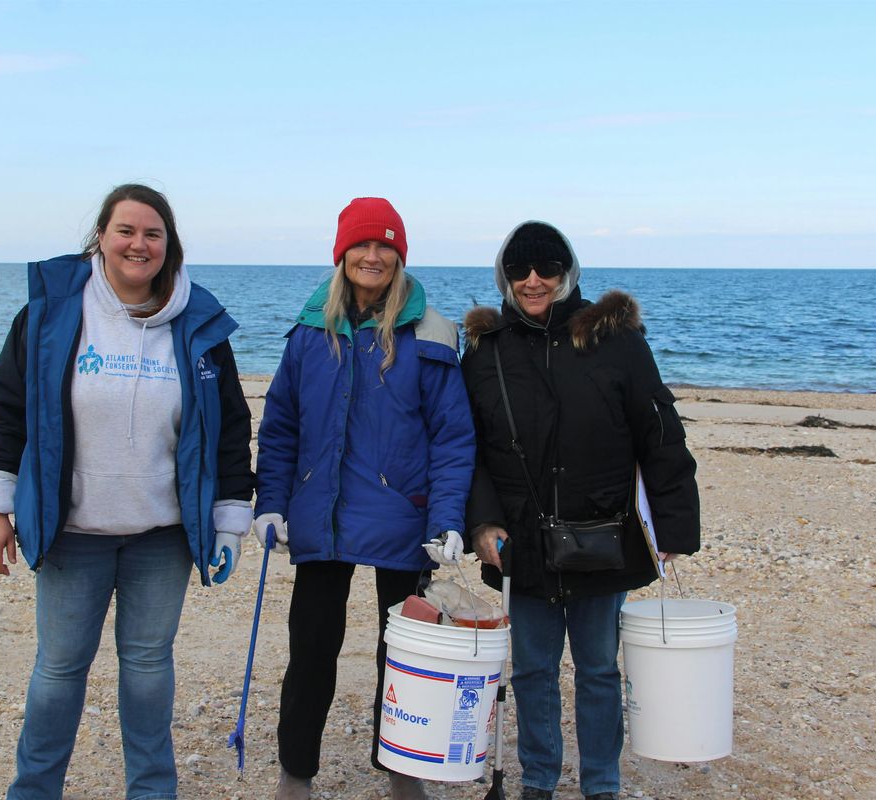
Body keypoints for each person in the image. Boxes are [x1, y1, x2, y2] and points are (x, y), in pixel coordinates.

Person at [0, 183, 255, 800]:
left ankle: (152, 791)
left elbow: (231, 429)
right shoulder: (50, 314)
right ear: (101, 236)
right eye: (126, 230)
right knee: (59, 672)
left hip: (163, 536)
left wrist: (230, 521)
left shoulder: (201, 323)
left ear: (169, 245)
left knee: (149, 670)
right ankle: (34, 790)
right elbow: (8, 408)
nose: (139, 243)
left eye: (153, 233)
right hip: (73, 531)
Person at [460, 221, 700, 800]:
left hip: (603, 533)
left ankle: (602, 785)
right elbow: (468, 451)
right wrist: (482, 522)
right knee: (532, 672)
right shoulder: (486, 352)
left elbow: (660, 432)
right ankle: (538, 782)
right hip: (522, 539)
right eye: (520, 270)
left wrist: (673, 525)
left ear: (568, 272)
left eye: (547, 268)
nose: (534, 280)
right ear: (505, 275)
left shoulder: (617, 341)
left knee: (597, 671)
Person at [253, 197, 475, 800]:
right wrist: (270, 502)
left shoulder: (430, 333)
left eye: (385, 246)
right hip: (320, 514)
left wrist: (449, 517)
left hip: (404, 516)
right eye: (362, 245)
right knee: (311, 653)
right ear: (342, 254)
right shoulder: (309, 332)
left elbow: (453, 437)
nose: (373, 256)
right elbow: (280, 428)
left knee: (404, 655)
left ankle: (404, 772)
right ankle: (295, 774)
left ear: (399, 257)